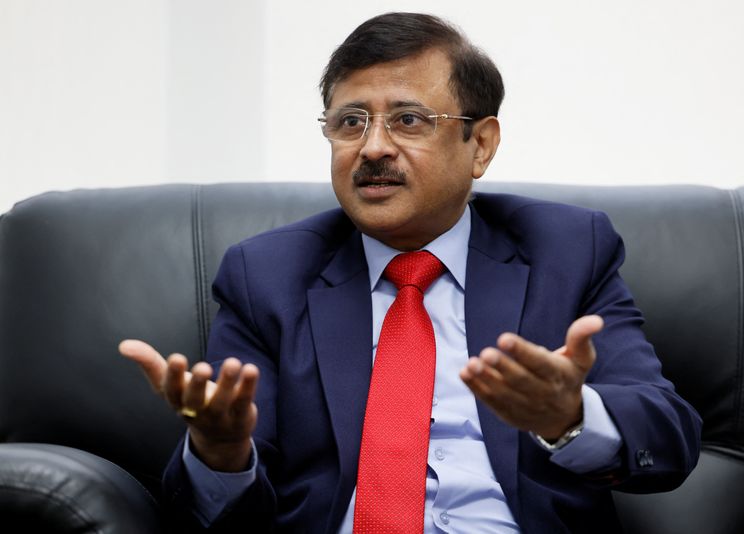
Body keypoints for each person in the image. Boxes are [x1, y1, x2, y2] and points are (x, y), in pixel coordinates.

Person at [119, 12, 701, 533]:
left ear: (481, 144)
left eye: (409, 119)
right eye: (350, 121)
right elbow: (223, 511)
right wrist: (220, 452)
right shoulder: (265, 275)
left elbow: (667, 440)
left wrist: (570, 417)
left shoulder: (567, 252)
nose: (373, 147)